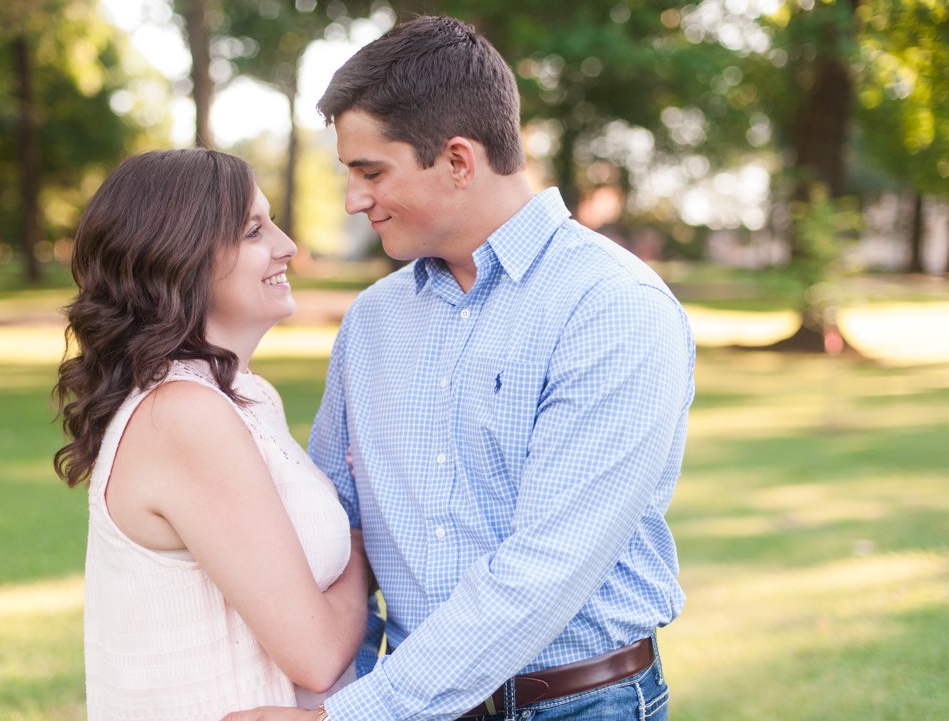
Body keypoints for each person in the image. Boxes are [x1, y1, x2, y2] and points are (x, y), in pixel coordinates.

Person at [226, 14, 696, 721]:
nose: (354, 199)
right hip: (405, 703)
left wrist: (351, 716)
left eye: (369, 171)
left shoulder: (612, 308)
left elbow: (547, 567)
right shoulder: (373, 321)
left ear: (458, 160)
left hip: (579, 705)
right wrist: (339, 691)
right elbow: (337, 529)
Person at [52, 149, 369, 720]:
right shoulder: (183, 415)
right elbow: (316, 654)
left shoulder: (244, 396)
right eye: (253, 230)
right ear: (180, 258)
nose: (287, 245)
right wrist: (363, 546)